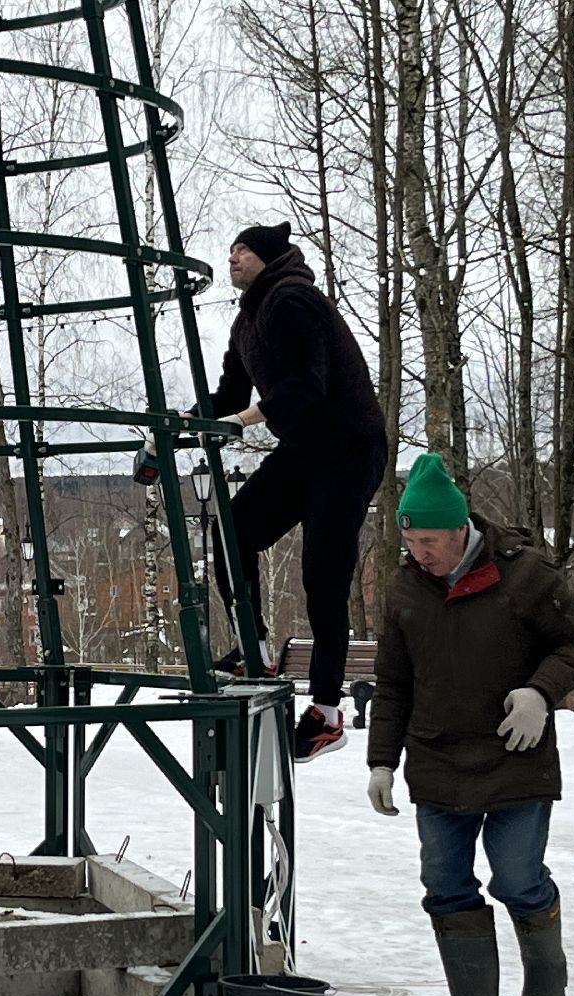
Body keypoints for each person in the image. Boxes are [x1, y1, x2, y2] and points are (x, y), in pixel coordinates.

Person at [365, 453, 574, 996]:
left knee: (517, 877)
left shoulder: (526, 575)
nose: (421, 552)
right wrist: (381, 761)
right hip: (437, 757)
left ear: (462, 529)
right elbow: (393, 683)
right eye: (412, 540)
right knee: (444, 882)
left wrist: (540, 693)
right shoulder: (406, 589)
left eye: (431, 540)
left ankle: (546, 970)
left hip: (515, 750)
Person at [191, 221, 387, 763]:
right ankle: (252, 647)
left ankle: (326, 713)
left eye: (243, 250)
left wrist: (250, 419)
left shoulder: (293, 300)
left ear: (268, 258)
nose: (232, 258)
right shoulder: (247, 318)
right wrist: (186, 421)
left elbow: (308, 383)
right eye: (228, 250)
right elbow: (230, 392)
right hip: (305, 447)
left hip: (347, 446)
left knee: (323, 573)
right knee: (233, 529)